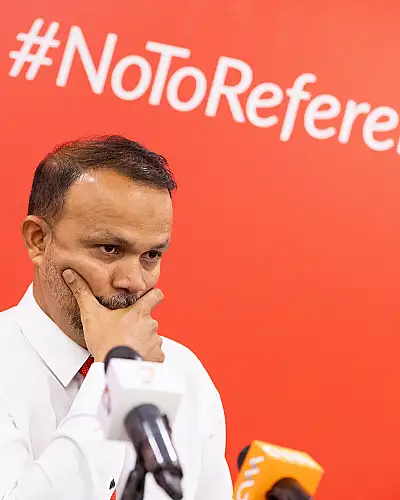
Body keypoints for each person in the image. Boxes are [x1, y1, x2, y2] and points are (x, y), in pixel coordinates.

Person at [0, 135, 233, 500]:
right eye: (109, 248)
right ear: (38, 239)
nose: (134, 281)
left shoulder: (185, 374)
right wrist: (114, 372)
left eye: (151, 255)